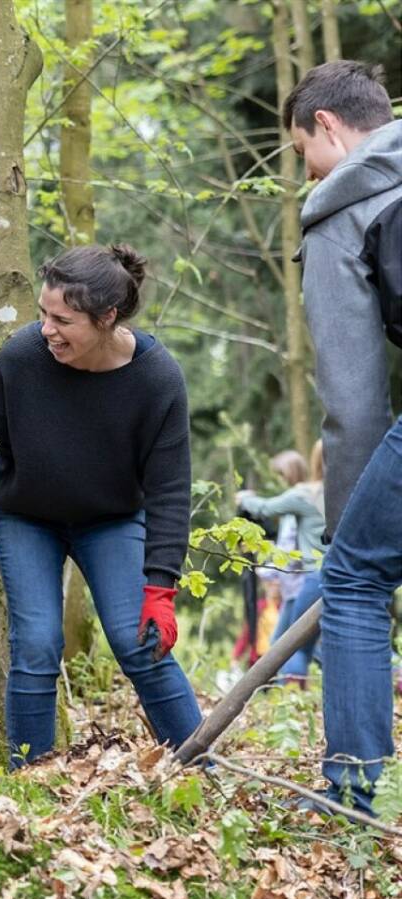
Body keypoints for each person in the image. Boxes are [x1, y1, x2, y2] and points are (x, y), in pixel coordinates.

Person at [0, 243, 203, 768]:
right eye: (42, 314)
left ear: (107, 317)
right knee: (35, 644)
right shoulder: (21, 357)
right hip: (28, 516)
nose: (47, 329)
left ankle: (201, 768)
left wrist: (161, 589)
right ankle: (31, 782)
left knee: (139, 641)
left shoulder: (157, 379)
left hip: (112, 520)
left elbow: (170, 489)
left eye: (63, 319)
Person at [284, 60, 402, 813]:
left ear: (329, 125)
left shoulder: (342, 211)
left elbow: (355, 401)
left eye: (303, 152)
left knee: (355, 578)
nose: (307, 171)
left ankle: (350, 792)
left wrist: (346, 521)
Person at [234, 443, 325, 685]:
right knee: (297, 642)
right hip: (342, 574)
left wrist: (245, 499)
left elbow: (265, 508)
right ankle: (395, 672)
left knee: (294, 646)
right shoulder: (348, 492)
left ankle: (287, 699)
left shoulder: (307, 494)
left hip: (311, 578)